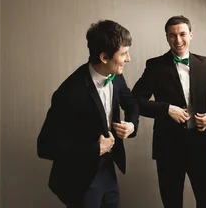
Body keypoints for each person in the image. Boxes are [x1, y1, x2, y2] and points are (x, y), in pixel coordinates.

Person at [132, 15, 206, 208]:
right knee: (172, 203)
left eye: (182, 34)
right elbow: (135, 101)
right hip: (168, 148)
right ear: (166, 37)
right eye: (172, 35)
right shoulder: (155, 66)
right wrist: (166, 109)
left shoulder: (205, 64)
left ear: (191, 34)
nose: (178, 40)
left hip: (201, 146)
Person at [37, 20, 139, 208]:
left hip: (109, 170)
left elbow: (131, 103)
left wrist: (131, 125)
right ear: (104, 57)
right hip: (80, 179)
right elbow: (45, 147)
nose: (128, 59)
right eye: (124, 54)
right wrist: (95, 149)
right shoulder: (68, 93)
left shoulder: (116, 75)